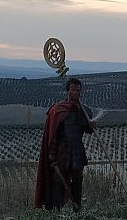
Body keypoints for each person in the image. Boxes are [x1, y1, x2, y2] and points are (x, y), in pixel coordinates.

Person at [34, 78, 95, 211]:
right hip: (62, 151)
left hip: (77, 149)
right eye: (73, 90)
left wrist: (91, 125)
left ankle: (77, 210)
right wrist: (51, 153)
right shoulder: (58, 110)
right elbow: (53, 133)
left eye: (78, 90)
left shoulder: (85, 111)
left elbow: (88, 130)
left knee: (77, 180)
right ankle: (56, 210)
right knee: (57, 181)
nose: (75, 93)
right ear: (68, 91)